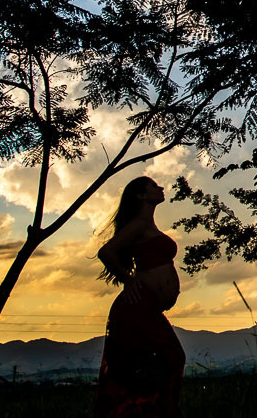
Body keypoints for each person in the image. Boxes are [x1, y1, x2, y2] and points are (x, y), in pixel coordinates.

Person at [95, 176, 185, 418]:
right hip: (137, 306)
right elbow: (106, 252)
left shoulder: (147, 225)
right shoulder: (139, 223)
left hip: (148, 307)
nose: (161, 188)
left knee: (155, 364)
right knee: (169, 358)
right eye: (154, 186)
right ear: (141, 196)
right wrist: (128, 279)